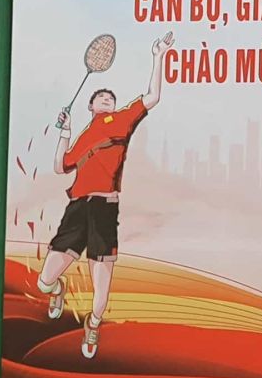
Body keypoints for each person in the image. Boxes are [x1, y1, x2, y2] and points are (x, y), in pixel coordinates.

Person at [34, 33, 172, 359]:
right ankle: (57, 290)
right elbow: (60, 166)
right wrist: (65, 132)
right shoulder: (83, 136)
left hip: (104, 208)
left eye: (111, 97)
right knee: (44, 282)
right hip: (77, 209)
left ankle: (93, 324)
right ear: (91, 106)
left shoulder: (122, 119)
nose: (107, 99)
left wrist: (159, 56)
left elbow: (152, 96)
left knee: (101, 286)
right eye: (101, 97)